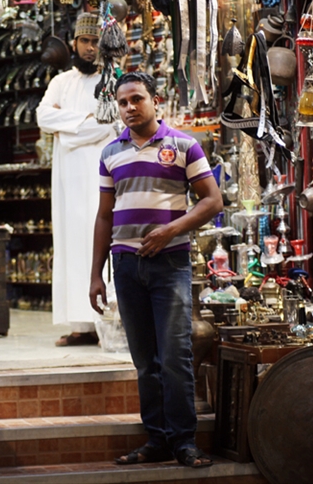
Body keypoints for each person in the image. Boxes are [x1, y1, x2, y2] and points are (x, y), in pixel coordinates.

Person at [90, 71, 222, 468]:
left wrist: (171, 230)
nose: (130, 108)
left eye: (137, 99)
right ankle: (157, 440)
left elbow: (212, 201)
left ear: (155, 100)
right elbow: (103, 216)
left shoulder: (183, 145)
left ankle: (184, 442)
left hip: (169, 263)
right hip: (126, 265)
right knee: (145, 360)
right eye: (123, 102)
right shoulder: (110, 152)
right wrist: (96, 274)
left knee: (175, 356)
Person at [37, 11, 118, 346]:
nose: (90, 48)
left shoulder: (111, 82)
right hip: (68, 180)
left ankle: (108, 323)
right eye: (85, 41)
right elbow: (43, 116)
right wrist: (85, 122)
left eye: (95, 42)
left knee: (100, 243)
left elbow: (108, 124)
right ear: (75, 43)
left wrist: (67, 131)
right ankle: (80, 327)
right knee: (72, 243)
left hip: (100, 174)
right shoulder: (60, 82)